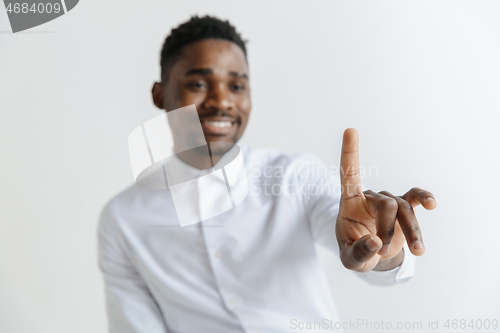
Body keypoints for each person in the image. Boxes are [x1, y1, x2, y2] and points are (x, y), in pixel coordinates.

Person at [98, 16, 436, 333]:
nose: (221, 101)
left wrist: (382, 248)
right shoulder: (123, 218)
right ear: (159, 94)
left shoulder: (294, 176)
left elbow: (356, 239)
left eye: (237, 86)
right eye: (199, 83)